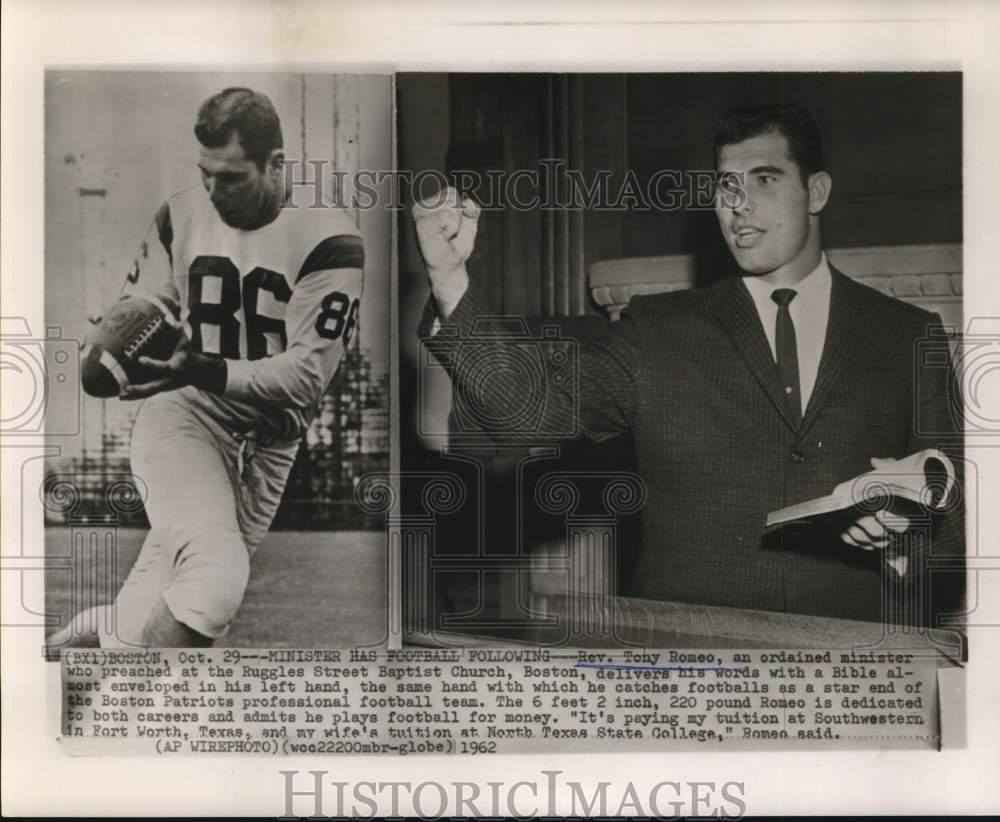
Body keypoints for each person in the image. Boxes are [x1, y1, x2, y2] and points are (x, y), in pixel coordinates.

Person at [413, 102, 963, 626]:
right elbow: (526, 409)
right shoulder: (657, 329)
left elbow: (964, 525)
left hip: (853, 671)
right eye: (727, 184)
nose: (739, 204)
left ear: (815, 191)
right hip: (695, 660)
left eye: (765, 179)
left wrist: (908, 534)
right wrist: (449, 279)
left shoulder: (906, 333)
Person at [48, 87, 364, 648]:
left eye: (233, 177)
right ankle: (140, 723)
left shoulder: (329, 238)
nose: (214, 192)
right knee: (217, 580)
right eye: (205, 174)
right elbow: (152, 309)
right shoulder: (180, 214)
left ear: (276, 166)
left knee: (135, 631)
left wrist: (204, 367)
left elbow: (305, 378)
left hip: (270, 441)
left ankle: (67, 658)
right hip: (186, 418)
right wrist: (118, 331)